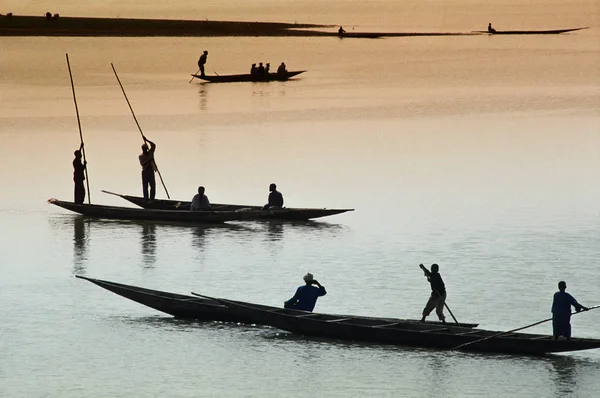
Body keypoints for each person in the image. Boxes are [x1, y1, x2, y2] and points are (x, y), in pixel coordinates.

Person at [139, 136, 157, 201]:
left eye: (145, 149)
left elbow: (154, 145)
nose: (145, 150)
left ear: (147, 149)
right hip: (145, 172)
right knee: (145, 187)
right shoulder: (141, 156)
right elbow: (142, 163)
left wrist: (146, 140)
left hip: (151, 171)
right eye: (144, 149)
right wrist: (150, 159)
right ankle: (146, 199)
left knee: (153, 186)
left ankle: (151, 199)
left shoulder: (150, 153)